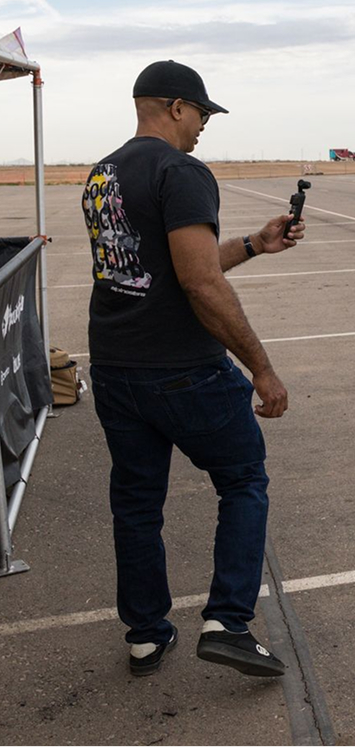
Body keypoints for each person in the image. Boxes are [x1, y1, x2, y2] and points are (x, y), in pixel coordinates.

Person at [82, 60, 306, 677]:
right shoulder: (181, 170)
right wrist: (262, 369)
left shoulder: (102, 175)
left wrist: (257, 244)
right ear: (178, 107)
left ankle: (146, 635)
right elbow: (199, 284)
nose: (205, 125)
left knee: (135, 502)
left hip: (116, 367)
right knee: (243, 480)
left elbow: (160, 271)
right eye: (203, 113)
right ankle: (228, 623)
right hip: (183, 370)